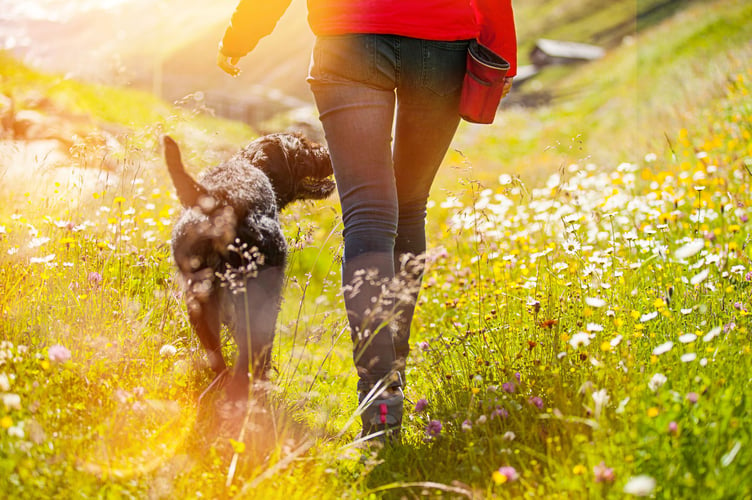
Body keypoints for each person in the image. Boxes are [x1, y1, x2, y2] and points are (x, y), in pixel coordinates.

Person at [217, 0, 517, 441]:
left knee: (369, 215)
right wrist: (500, 51)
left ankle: (379, 401)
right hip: (442, 42)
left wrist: (240, 37)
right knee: (410, 206)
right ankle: (391, 370)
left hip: (348, 38)